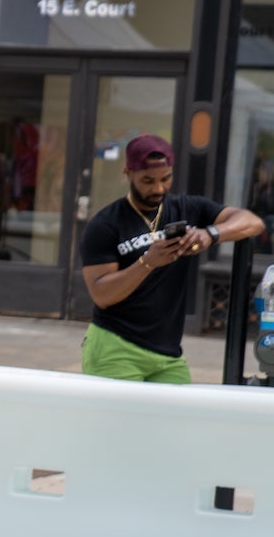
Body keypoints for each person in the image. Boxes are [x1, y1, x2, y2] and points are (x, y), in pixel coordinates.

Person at [80, 134, 264, 383]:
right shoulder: (106, 224)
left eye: (165, 179)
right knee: (116, 423)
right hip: (116, 347)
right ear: (128, 173)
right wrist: (147, 262)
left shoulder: (188, 208)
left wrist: (210, 233)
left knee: (179, 420)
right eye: (148, 180)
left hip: (167, 354)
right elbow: (102, 295)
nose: (158, 189)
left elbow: (252, 222)